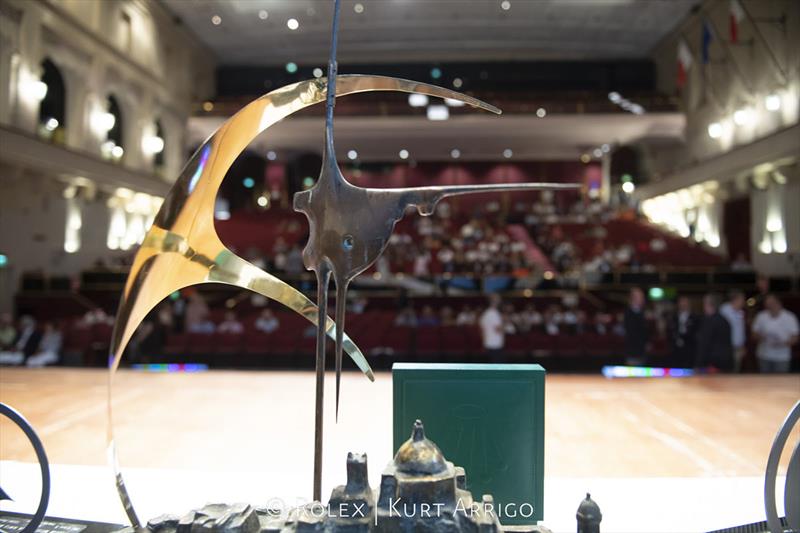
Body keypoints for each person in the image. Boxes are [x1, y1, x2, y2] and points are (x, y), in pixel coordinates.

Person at [752, 294, 799, 373]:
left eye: (772, 303)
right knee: (764, 382)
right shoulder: (761, 316)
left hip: (782, 357)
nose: (770, 306)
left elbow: (795, 337)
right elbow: (754, 334)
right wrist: (761, 337)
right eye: (767, 304)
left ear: (778, 303)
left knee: (781, 382)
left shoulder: (790, 317)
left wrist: (783, 343)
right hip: (764, 355)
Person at [695, 293, 734, 372]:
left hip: (712, 363)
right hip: (726, 362)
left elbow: (704, 344)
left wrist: (698, 364)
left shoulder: (708, 321)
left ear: (708, 304)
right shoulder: (724, 320)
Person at [719, 291, 747, 371]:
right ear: (735, 300)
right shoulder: (724, 310)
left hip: (738, 348)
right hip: (727, 347)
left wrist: (742, 345)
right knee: (727, 371)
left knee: (736, 370)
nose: (743, 302)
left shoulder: (740, 312)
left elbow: (740, 330)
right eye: (742, 299)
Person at [668, 296, 698, 368]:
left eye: (685, 303)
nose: (683, 305)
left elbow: (695, 333)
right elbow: (670, 331)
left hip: (689, 348)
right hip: (676, 349)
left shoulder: (695, 317)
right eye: (681, 303)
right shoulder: (674, 317)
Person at [623, 288, 648, 365]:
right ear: (633, 298)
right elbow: (631, 332)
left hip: (642, 350)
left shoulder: (643, 312)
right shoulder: (628, 313)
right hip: (632, 350)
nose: (642, 299)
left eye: (642, 297)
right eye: (640, 297)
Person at [479, 294, 505, 358]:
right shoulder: (494, 313)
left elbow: (481, 329)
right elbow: (498, 329)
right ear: (494, 301)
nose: (500, 301)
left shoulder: (485, 313)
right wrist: (505, 326)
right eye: (498, 299)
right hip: (495, 344)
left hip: (488, 344)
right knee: (498, 367)